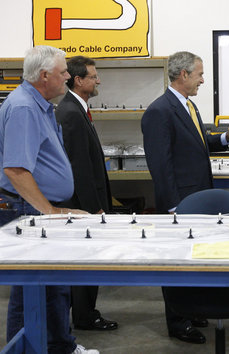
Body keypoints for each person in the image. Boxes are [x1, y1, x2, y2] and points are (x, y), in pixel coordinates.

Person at [0, 46, 96, 354]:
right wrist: (51, 210)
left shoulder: (38, 104)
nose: (69, 77)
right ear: (44, 76)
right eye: (64, 72)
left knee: (53, 285)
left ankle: (59, 346)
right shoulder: (24, 108)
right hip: (30, 208)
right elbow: (15, 169)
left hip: (38, 207)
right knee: (32, 287)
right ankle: (28, 350)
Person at [141, 51, 229, 344]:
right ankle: (177, 321)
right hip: (179, 202)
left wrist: (223, 138)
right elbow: (160, 164)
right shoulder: (159, 111)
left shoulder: (188, 106)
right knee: (176, 261)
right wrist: (174, 206)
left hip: (195, 197)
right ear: (183, 75)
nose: (202, 79)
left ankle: (192, 309)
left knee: (194, 257)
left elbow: (197, 144)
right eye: (199, 74)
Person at [55, 56, 118, 332]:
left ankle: (84, 312)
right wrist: (95, 209)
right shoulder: (70, 112)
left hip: (89, 204)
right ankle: (84, 316)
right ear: (78, 80)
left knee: (88, 259)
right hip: (84, 207)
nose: (98, 80)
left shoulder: (77, 109)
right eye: (93, 76)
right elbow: (78, 166)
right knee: (85, 260)